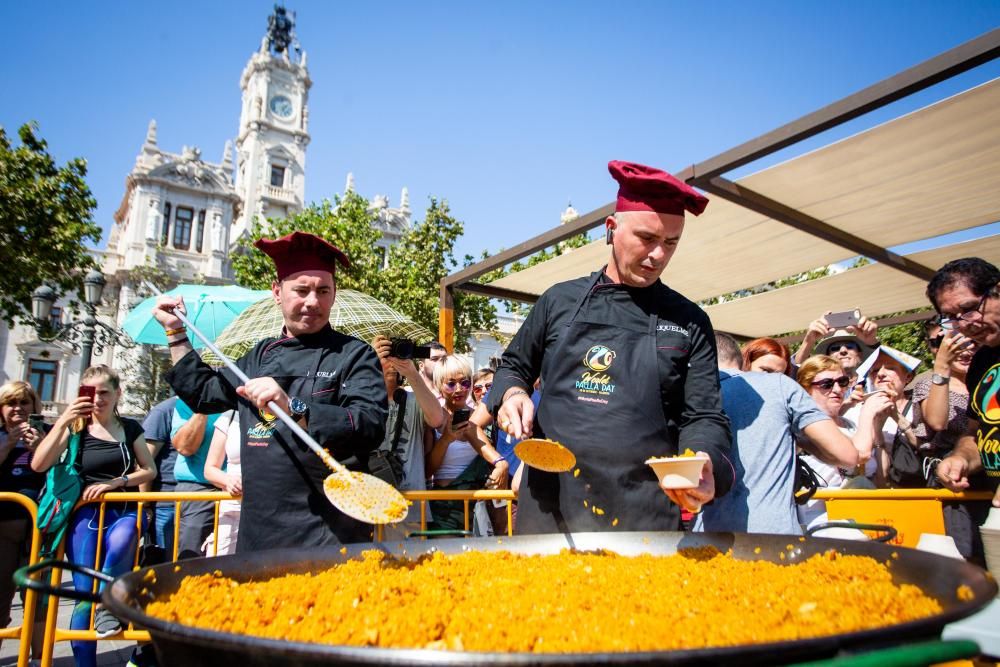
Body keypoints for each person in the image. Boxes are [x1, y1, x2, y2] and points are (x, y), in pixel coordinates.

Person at [489, 160, 733, 533]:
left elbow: (704, 416)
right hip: (550, 510)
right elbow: (513, 367)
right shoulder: (559, 301)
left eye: (671, 243)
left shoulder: (690, 321)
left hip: (643, 513)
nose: (658, 256)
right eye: (647, 239)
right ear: (611, 229)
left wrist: (704, 460)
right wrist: (511, 395)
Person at [152, 231, 388, 550]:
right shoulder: (257, 357)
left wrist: (294, 407)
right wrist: (176, 332)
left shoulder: (355, 355)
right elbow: (203, 393)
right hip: (259, 529)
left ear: (334, 294)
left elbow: (369, 425)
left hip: (329, 532)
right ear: (277, 292)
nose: (312, 302)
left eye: (323, 290)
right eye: (301, 290)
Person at [32, 365, 156, 664]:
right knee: (82, 597)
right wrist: (64, 419)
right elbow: (39, 464)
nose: (97, 399)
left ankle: (108, 605)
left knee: (125, 537)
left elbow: (148, 469)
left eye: (104, 392)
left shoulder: (129, 428)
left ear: (117, 394)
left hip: (123, 511)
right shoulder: (75, 429)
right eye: (90, 392)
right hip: (84, 517)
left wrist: (117, 482)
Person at [694, 334, 856, 535]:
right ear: (742, 360)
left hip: (705, 540)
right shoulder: (781, 386)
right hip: (774, 538)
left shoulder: (689, 398)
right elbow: (847, 455)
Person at [912, 318, 988, 561]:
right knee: (965, 558)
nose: (965, 350)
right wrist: (942, 368)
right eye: (952, 343)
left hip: (988, 476)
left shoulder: (987, 379)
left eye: (971, 342)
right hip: (952, 482)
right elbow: (937, 422)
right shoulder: (928, 384)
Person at [927, 258, 1000, 509]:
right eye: (950, 317)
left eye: (969, 308)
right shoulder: (983, 361)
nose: (964, 324)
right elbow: (977, 433)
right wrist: (961, 458)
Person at [795, 356, 886, 530]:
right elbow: (859, 455)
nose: (837, 389)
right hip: (823, 520)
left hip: (867, 513)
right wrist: (867, 413)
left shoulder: (851, 424)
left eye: (842, 382)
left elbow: (880, 475)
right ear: (806, 390)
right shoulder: (802, 427)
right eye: (826, 384)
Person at [370, 335, 445, 535]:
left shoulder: (414, 399)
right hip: (367, 503)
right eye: (387, 354)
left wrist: (412, 373)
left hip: (409, 505)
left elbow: (437, 419)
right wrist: (369, 363)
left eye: (396, 352)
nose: (391, 360)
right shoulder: (362, 401)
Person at [428, 356, 508, 533]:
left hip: (477, 506)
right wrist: (446, 439)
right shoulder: (434, 419)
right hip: (445, 507)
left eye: (464, 383)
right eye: (451, 383)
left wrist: (501, 464)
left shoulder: (476, 418)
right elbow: (428, 470)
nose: (459, 389)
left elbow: (489, 451)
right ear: (439, 385)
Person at [0, 381, 46, 660]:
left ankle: (40, 657)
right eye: (11, 403)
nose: (18, 409)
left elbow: (59, 467)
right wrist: (8, 445)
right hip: (3, 529)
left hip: (38, 531)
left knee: (37, 598)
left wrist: (40, 447)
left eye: (24, 403)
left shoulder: (46, 433)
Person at [169, 401, 221, 559]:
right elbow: (185, 447)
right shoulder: (186, 402)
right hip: (200, 491)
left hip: (244, 488)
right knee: (192, 560)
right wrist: (204, 405)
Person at [141, 395, 178, 562]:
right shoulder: (164, 411)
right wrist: (145, 505)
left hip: (198, 502)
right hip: (164, 503)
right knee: (163, 565)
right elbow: (145, 461)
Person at [202, 409, 241, 555]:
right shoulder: (229, 416)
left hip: (271, 510)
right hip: (232, 510)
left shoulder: (284, 412)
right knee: (217, 568)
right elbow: (210, 469)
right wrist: (228, 480)